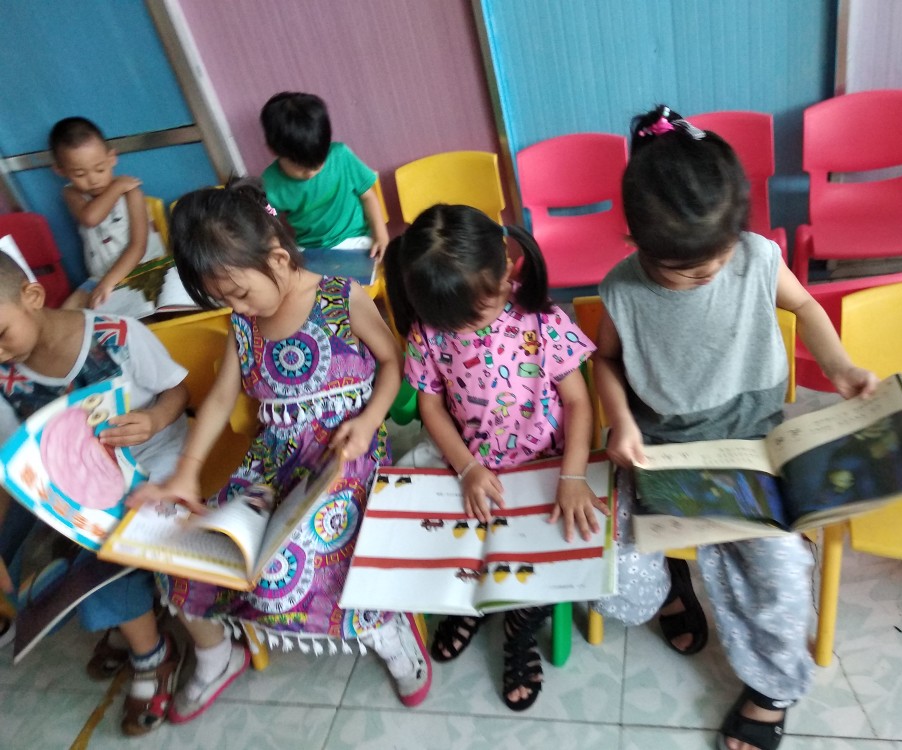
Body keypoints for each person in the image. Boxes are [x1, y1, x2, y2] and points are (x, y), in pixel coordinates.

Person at [592, 105, 879, 750]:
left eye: (716, 259)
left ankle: (772, 689)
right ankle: (675, 586)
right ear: (637, 243)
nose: (706, 275)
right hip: (660, 450)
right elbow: (605, 361)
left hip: (752, 444)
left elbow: (805, 305)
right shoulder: (622, 289)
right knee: (618, 579)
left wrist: (839, 366)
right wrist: (620, 422)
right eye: (683, 269)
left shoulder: (756, 257)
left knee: (781, 573)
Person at [129, 179, 430, 722]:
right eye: (222, 298)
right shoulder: (243, 325)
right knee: (190, 556)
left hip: (345, 454)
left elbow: (392, 361)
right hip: (273, 461)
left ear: (277, 258)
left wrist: (368, 422)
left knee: (286, 570)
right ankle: (218, 655)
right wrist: (187, 471)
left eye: (239, 293)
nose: (234, 306)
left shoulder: (340, 297)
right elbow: (221, 398)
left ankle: (387, 628)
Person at [383, 204, 607, 711]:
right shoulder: (429, 330)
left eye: (476, 316)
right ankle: (471, 605)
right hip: (470, 464)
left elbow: (578, 402)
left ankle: (520, 630)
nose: (465, 330)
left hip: (545, 466)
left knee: (550, 556)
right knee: (440, 542)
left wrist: (573, 476)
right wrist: (467, 467)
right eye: (455, 323)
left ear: (506, 269)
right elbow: (430, 406)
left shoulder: (541, 319)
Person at [0, 248, 189, 736]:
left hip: (156, 458)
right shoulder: (5, 381)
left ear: (32, 296)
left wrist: (154, 419)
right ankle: (129, 620)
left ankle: (152, 652)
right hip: (80, 485)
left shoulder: (117, 336)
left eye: (0, 335)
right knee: (64, 546)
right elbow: (13, 463)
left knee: (106, 551)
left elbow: (177, 391)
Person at [260, 91, 389, 281]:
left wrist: (380, 233)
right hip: (310, 251)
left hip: (356, 241)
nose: (310, 173)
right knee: (300, 289)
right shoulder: (270, 183)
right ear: (274, 150)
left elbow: (368, 196)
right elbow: (268, 223)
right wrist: (274, 249)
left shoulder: (341, 156)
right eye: (300, 166)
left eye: (318, 162)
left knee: (348, 291)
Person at [49, 117, 166, 309]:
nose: (93, 180)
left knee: (142, 312)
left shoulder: (131, 194)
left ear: (112, 158)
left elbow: (138, 247)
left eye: (100, 169)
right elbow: (90, 218)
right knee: (66, 311)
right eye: (80, 174)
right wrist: (116, 187)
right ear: (60, 170)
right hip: (100, 277)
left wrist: (109, 282)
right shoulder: (71, 193)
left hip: (143, 269)